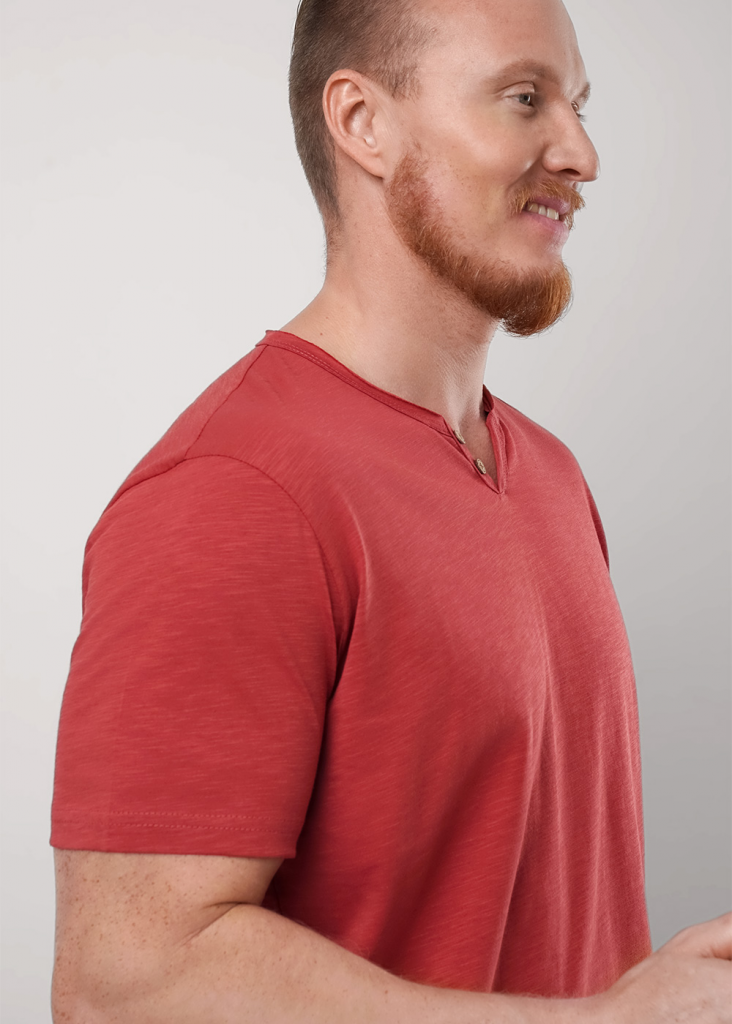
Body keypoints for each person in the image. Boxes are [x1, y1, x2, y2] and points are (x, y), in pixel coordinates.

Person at [49, 0, 731, 1020]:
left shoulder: (551, 476)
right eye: (525, 98)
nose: (581, 154)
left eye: (579, 106)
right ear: (363, 123)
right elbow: (125, 984)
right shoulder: (233, 491)